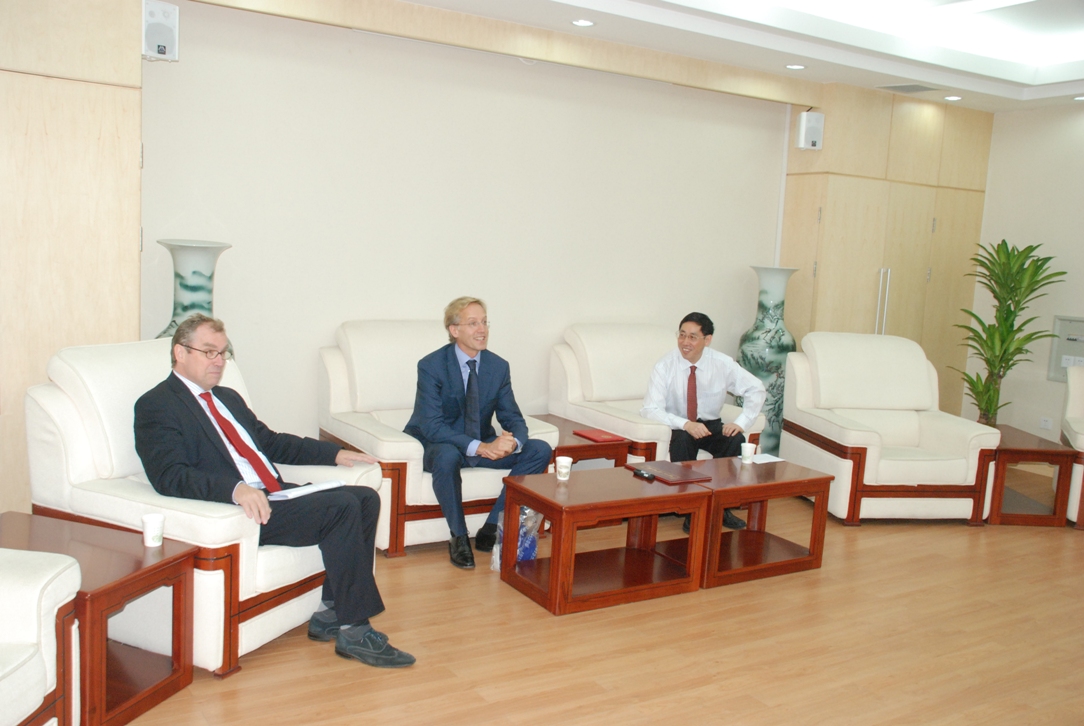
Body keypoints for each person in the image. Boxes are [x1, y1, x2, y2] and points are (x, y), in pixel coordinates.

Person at [134, 314, 414, 668]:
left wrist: (333, 453)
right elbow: (169, 475)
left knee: (365, 498)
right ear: (180, 352)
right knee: (342, 506)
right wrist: (234, 489)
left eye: (223, 352)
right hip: (244, 509)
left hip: (276, 494)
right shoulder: (157, 404)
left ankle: (330, 612)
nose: (219, 361)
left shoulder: (227, 398)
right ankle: (356, 630)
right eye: (209, 352)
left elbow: (270, 442)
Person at [405, 297, 552, 570]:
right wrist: (482, 447)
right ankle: (459, 537)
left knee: (540, 449)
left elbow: (513, 417)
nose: (482, 329)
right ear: (454, 330)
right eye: (473, 323)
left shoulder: (498, 366)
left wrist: (512, 442)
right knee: (448, 456)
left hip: (481, 444)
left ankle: (492, 528)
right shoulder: (431, 365)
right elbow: (433, 426)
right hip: (439, 444)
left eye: (484, 322)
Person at [641, 312, 766, 532]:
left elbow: (756, 389)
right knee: (682, 441)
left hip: (711, 425)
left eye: (692, 337)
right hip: (680, 426)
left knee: (735, 439)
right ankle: (692, 510)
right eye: (682, 335)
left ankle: (722, 507)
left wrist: (741, 422)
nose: (685, 342)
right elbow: (650, 409)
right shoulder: (665, 365)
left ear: (707, 340)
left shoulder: (722, 363)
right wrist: (685, 424)